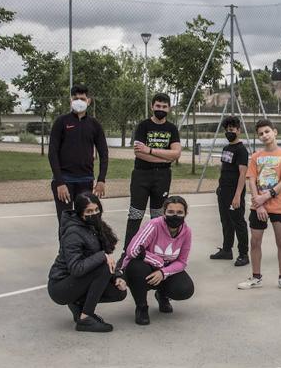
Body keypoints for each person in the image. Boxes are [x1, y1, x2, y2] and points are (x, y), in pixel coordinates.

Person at [48, 193, 128, 332]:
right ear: (80, 213)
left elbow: (102, 257)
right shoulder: (73, 233)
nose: (95, 214)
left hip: (77, 282)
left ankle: (78, 305)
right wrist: (102, 256)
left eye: (96, 210)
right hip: (60, 286)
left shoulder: (94, 226)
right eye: (89, 211)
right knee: (103, 266)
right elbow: (76, 268)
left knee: (118, 292)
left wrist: (117, 277)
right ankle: (85, 318)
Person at [237, 119, 281, 292]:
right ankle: (256, 277)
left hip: (278, 205)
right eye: (261, 133)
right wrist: (259, 203)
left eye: (267, 132)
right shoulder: (255, 157)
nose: (264, 135)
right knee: (255, 242)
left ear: (274, 132)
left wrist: (267, 197)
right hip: (259, 207)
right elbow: (252, 181)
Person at [122, 196, 195, 325]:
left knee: (185, 289)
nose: (175, 216)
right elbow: (132, 250)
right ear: (164, 213)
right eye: (170, 212)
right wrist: (158, 262)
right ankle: (141, 307)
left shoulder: (187, 232)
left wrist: (163, 272)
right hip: (145, 267)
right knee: (136, 268)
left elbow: (182, 262)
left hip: (165, 270)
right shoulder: (154, 225)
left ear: (186, 214)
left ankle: (162, 295)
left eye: (179, 213)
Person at [124, 92, 182, 251]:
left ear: (169, 108)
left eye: (164, 106)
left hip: (162, 177)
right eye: (158, 106)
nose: (161, 109)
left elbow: (176, 153)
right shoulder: (143, 126)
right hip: (142, 176)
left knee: (159, 217)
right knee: (135, 214)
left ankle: (156, 250)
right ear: (152, 106)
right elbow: (138, 153)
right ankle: (128, 251)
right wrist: (165, 157)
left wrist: (149, 150)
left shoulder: (172, 129)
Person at [48, 84, 108, 222]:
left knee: (87, 221)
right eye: (75, 98)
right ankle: (66, 245)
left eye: (82, 98)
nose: (78, 101)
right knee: (66, 223)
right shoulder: (61, 122)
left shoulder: (94, 124)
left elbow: (104, 153)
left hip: (85, 181)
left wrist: (101, 180)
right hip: (65, 181)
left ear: (89, 101)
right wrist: (59, 182)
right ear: (70, 100)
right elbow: (52, 153)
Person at [210, 116, 250, 266]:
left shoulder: (241, 150)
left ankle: (243, 254)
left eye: (232, 130)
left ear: (238, 131)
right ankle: (227, 250)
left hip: (235, 192)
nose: (229, 132)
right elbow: (224, 169)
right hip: (223, 191)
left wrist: (238, 195)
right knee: (225, 221)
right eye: (227, 130)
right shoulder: (226, 148)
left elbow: (242, 174)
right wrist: (220, 187)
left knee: (238, 222)